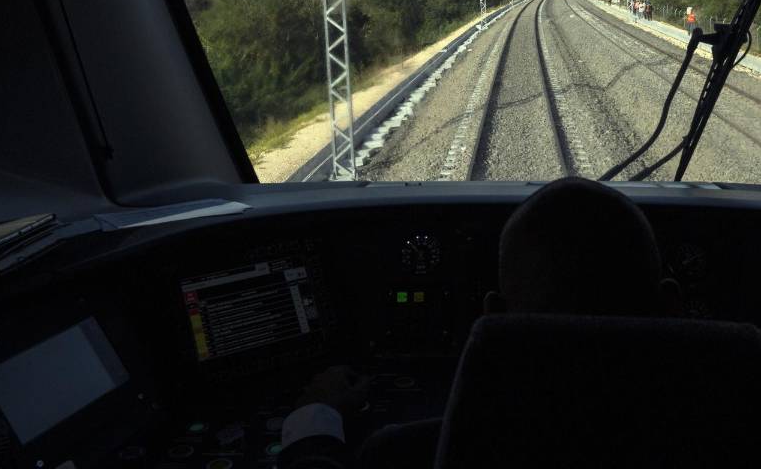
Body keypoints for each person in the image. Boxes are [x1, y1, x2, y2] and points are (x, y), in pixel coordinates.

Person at [279, 178, 682, 468]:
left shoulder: (410, 451)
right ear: (670, 305)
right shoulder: (731, 428)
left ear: (494, 317)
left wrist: (314, 421)